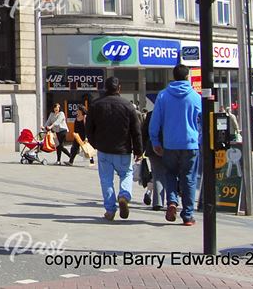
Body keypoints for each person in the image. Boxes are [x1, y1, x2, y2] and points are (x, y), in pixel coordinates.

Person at [149, 64, 202, 227]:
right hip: (191, 144)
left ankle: (172, 201)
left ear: (173, 76)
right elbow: (203, 122)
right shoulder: (195, 96)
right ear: (187, 77)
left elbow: (155, 121)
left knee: (170, 174)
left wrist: (155, 141)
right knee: (189, 179)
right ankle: (188, 215)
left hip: (170, 144)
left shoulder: (163, 96)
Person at [86, 77, 143, 221]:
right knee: (126, 174)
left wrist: (95, 144)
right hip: (123, 149)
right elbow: (136, 131)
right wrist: (138, 150)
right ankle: (124, 195)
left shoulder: (96, 105)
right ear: (119, 88)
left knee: (106, 180)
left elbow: (89, 129)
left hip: (104, 149)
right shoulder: (128, 106)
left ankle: (110, 210)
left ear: (105, 88)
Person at [142, 105, 166, 210]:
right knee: (171, 174)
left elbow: (144, 133)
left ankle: (158, 202)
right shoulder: (170, 114)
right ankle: (172, 201)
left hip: (153, 148)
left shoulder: (150, 114)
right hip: (170, 147)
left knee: (157, 174)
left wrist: (140, 150)